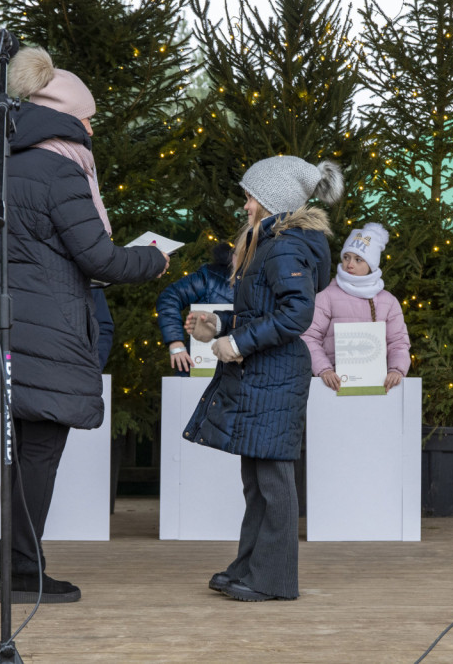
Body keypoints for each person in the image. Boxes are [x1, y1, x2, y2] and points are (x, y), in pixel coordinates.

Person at [0, 46, 169, 604]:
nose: (94, 126)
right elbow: (99, 258)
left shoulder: (7, 163)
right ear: (68, 117)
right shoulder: (61, 168)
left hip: (12, 326)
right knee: (38, 456)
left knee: (21, 453)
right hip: (50, 328)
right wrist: (153, 258)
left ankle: (15, 565)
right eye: (89, 117)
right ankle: (23, 574)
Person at [183, 155, 339, 602]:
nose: (245, 204)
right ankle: (249, 566)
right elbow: (263, 312)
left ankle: (271, 580)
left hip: (275, 374)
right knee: (256, 478)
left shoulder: (285, 245)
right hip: (263, 374)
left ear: (273, 200)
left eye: (251, 196)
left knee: (273, 479)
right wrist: (219, 328)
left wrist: (239, 344)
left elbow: (295, 314)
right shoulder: (271, 242)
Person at [302, 222, 411, 392]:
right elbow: (309, 336)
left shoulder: (388, 301)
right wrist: (324, 369)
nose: (350, 264)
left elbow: (398, 343)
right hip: (332, 386)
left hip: (376, 385)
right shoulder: (327, 296)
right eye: (347, 257)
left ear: (371, 264)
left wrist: (396, 369)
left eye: (358, 259)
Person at [155, 242, 233, 375]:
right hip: (199, 369)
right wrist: (175, 342)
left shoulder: (268, 281)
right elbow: (170, 297)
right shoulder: (211, 276)